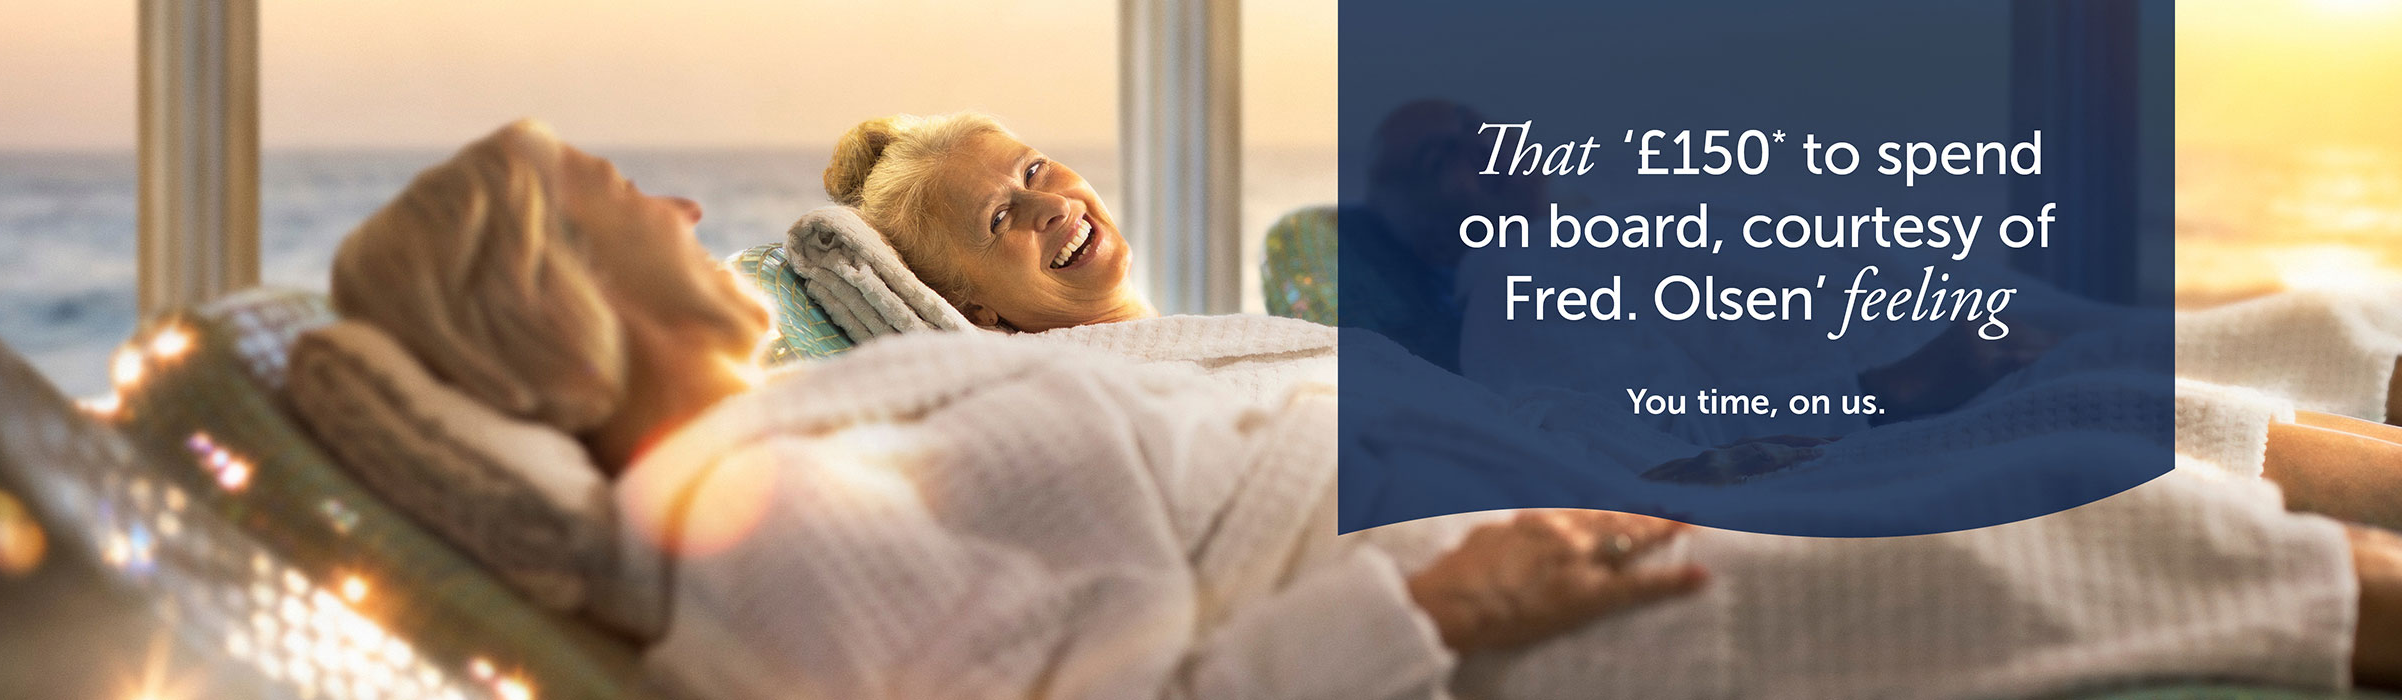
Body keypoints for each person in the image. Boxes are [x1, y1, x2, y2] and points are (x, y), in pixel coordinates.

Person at [329, 119, 2402, 699]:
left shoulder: (834, 437)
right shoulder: (759, 529)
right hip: (1529, 587)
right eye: (618, 198)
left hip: (1533, 488)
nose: (677, 197)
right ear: (552, 295)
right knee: (2089, 482)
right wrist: (1455, 597)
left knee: (2058, 399)